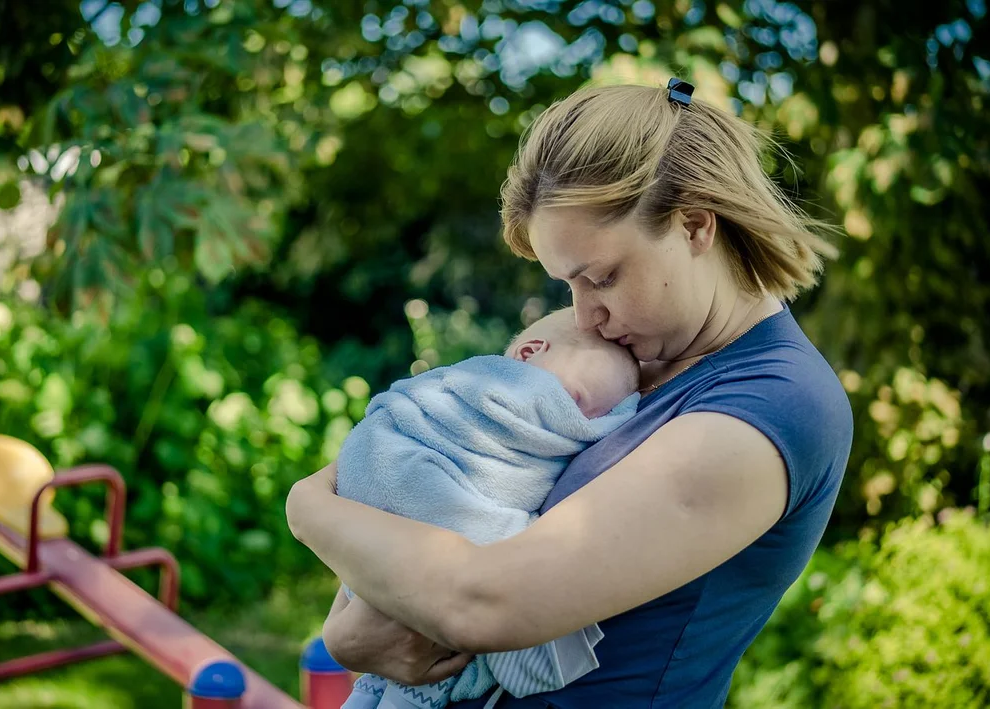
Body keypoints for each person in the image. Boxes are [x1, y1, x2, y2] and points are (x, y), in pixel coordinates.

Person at [286, 79, 854, 708]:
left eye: (603, 277)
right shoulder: (628, 353)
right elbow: (431, 493)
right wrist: (348, 630)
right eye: (569, 286)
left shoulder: (777, 403)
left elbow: (484, 602)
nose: (585, 317)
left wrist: (308, 509)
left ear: (695, 225)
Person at [337, 308, 639, 708]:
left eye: (603, 418)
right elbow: (387, 447)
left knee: (391, 689)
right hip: (414, 513)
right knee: (381, 690)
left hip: (424, 594)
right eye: (575, 403)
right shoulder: (461, 394)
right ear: (530, 353)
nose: (584, 428)